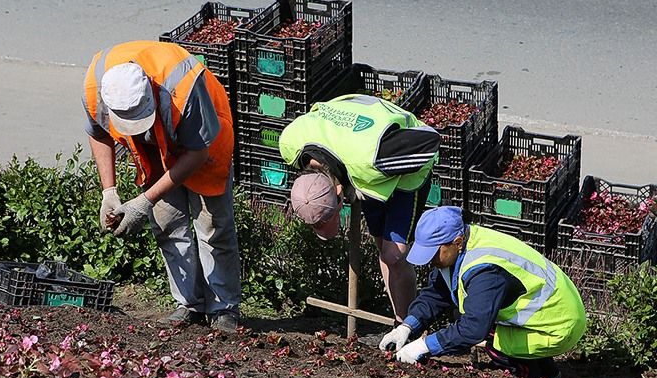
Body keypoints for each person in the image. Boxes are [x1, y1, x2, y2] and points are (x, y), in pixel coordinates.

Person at [83, 41, 241, 331]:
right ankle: (189, 304)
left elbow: (197, 153)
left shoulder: (183, 89)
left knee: (212, 227)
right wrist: (109, 191)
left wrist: (144, 201)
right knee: (167, 224)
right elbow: (98, 133)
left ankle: (223, 309)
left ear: (151, 94)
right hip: (155, 145)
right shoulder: (96, 86)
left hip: (205, 141)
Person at [278, 94, 440, 322]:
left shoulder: (370, 161)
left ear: (339, 193)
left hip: (397, 169)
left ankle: (407, 324)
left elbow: (430, 140)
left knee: (394, 255)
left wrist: (383, 167)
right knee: (383, 249)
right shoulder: (290, 145)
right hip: (360, 164)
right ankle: (399, 318)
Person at [380, 206, 587, 378]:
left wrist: (425, 346)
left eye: (434, 253)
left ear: (458, 242)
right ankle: (547, 370)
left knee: (493, 341)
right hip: (553, 313)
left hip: (559, 325)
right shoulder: (458, 248)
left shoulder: (485, 270)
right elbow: (436, 294)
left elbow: (472, 330)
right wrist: (407, 327)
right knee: (481, 323)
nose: (430, 260)